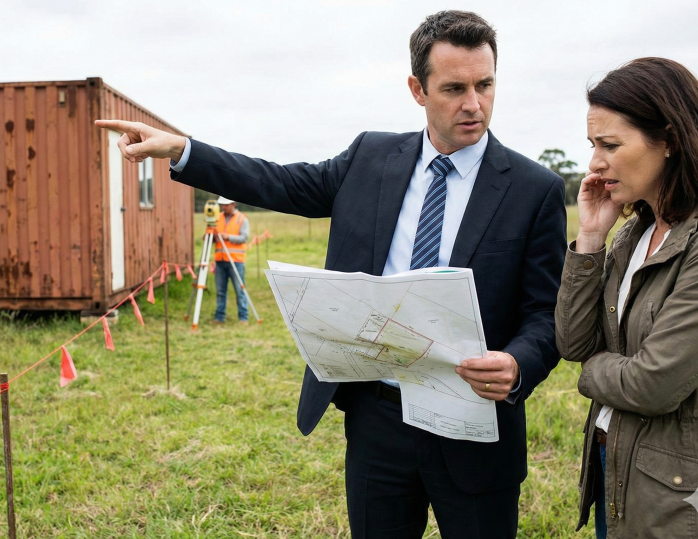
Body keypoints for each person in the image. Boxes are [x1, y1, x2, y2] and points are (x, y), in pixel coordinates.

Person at [97, 10, 566, 538]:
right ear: (417, 90)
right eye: (454, 88)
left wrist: (517, 364)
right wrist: (183, 150)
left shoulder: (535, 190)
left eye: (485, 85)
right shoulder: (370, 157)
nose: (474, 104)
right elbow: (278, 182)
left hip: (476, 426)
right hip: (377, 420)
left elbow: (545, 314)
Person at [556, 57, 698, 538]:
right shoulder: (634, 234)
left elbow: (652, 385)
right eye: (593, 145)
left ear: (671, 140)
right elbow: (574, 343)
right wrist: (591, 239)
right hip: (615, 464)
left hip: (682, 495)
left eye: (611, 145)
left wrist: (592, 371)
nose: (595, 163)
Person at [211, 196, 249, 325]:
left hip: (236, 261)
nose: (224, 207)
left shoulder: (241, 219)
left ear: (233, 204)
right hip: (220, 260)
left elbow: (244, 238)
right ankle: (219, 317)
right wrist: (212, 236)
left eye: (226, 205)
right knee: (220, 292)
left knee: (240, 291)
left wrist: (227, 237)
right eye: (222, 205)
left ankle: (243, 318)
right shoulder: (217, 218)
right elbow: (213, 237)